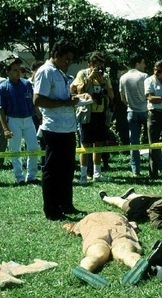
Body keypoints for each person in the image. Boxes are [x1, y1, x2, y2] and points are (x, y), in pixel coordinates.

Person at [33, 40, 85, 221]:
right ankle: (51, 209)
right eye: (66, 59)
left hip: (68, 128)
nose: (68, 63)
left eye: (71, 60)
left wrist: (74, 99)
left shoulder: (60, 73)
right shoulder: (46, 71)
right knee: (53, 171)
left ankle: (66, 204)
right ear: (56, 55)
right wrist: (66, 103)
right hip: (54, 129)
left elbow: (61, 97)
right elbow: (38, 100)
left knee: (67, 169)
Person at [63, 211, 162, 288]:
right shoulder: (118, 215)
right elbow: (134, 225)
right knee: (125, 252)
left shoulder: (86, 219)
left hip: (95, 231)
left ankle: (84, 269)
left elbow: (72, 227)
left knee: (96, 254)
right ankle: (137, 264)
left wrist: (69, 227)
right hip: (119, 229)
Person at [72, 51, 114, 184]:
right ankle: (83, 175)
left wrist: (103, 83)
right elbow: (79, 91)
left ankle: (97, 173)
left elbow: (112, 95)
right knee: (85, 145)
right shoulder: (82, 74)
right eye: (96, 63)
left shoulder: (105, 76)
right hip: (87, 113)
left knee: (99, 144)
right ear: (90, 64)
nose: (99, 66)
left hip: (100, 113)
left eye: (101, 63)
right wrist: (90, 78)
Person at [0, 57, 41, 185]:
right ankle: (19, 177)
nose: (18, 72)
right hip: (13, 120)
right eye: (15, 70)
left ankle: (31, 176)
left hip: (28, 120)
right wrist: (6, 129)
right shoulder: (3, 87)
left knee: (34, 147)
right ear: (7, 72)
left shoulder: (27, 84)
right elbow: (1, 110)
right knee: (15, 150)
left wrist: (40, 116)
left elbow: (33, 104)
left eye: (20, 70)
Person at [119, 53, 148, 177]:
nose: (145, 65)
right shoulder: (144, 76)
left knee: (134, 142)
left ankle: (135, 170)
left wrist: (130, 105)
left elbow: (122, 98)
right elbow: (149, 94)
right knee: (152, 140)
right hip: (145, 110)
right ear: (137, 63)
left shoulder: (123, 78)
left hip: (131, 111)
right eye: (143, 62)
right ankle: (158, 167)